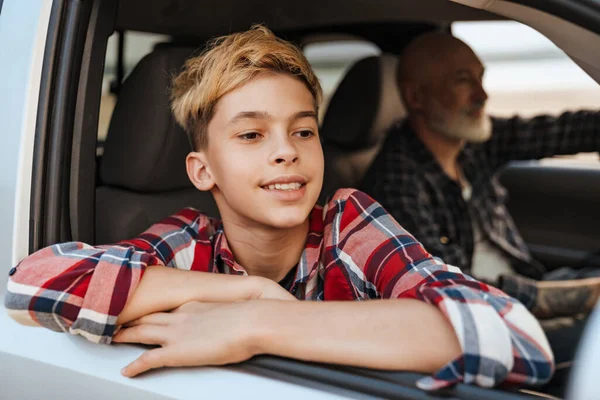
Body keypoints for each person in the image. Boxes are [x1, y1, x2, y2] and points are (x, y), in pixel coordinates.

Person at [4, 26, 553, 391]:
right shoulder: (186, 243)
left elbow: (513, 334)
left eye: (303, 130)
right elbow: (28, 286)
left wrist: (261, 323)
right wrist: (245, 290)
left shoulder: (348, 225)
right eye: (250, 134)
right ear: (203, 171)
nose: (285, 149)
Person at [360, 32, 600, 376]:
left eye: (481, 77)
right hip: (485, 322)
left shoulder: (470, 141)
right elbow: (451, 286)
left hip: (526, 289)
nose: (482, 94)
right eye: (463, 81)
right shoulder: (395, 182)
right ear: (417, 97)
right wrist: (573, 297)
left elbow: (559, 130)